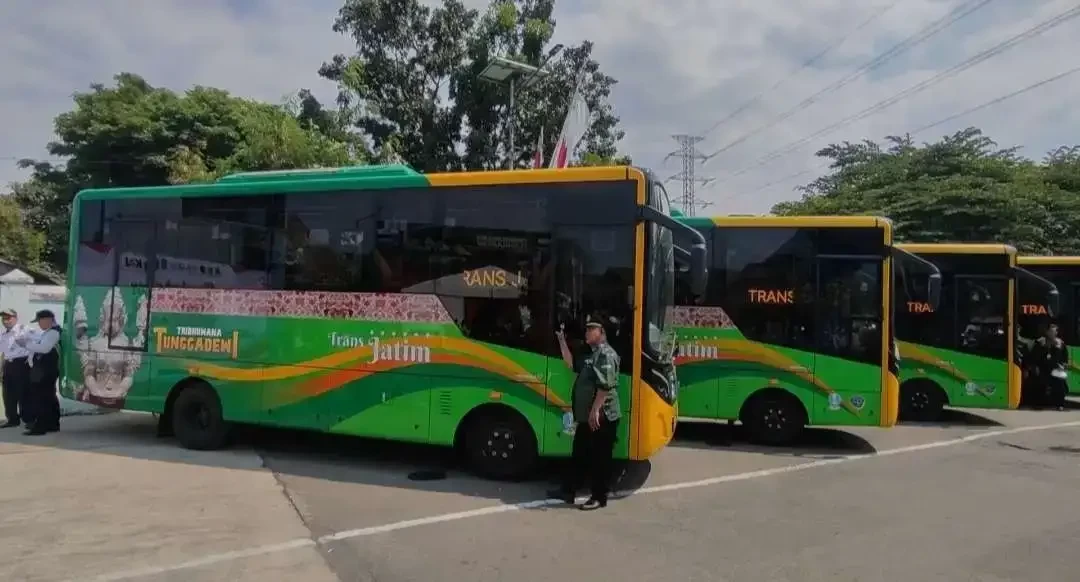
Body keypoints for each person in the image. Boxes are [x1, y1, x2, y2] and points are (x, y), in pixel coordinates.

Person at [548, 319, 621, 511]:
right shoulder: (591, 355)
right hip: (587, 417)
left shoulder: (606, 354)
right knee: (579, 453)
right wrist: (562, 341)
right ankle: (568, 491)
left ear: (602, 332)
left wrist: (595, 410)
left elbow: (605, 386)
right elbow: (571, 364)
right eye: (587, 329)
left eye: (592, 329)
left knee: (600, 458)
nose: (587, 332)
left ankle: (599, 497)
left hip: (602, 416)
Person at [16, 309, 62, 435]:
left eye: (40, 321)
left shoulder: (53, 333)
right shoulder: (48, 333)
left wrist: (25, 344)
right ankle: (52, 424)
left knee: (41, 398)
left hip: (46, 371)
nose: (39, 324)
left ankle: (40, 426)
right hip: (44, 369)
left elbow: (44, 348)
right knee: (49, 398)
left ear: (48, 320)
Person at [0, 309, 31, 428]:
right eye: (3, 318)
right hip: (8, 364)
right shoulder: (4, 335)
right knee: (8, 393)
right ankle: (12, 419)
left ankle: (28, 419)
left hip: (21, 363)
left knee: (23, 393)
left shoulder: (24, 330)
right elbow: (3, 353)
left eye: (8, 318)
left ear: (15, 318)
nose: (5, 321)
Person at [1029, 323, 1069, 411]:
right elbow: (1033, 357)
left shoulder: (1060, 344)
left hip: (1055, 369)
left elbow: (1065, 359)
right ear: (1047, 332)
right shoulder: (1040, 342)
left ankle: (1060, 404)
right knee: (1039, 381)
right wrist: (1034, 367)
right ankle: (1038, 404)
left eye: (1055, 331)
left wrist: (1064, 366)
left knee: (1060, 382)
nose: (1054, 333)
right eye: (1052, 331)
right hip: (1043, 368)